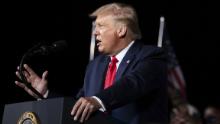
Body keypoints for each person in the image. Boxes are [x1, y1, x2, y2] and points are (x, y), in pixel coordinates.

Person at [15, 2, 168, 124]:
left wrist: (97, 100)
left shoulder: (152, 56)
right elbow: (78, 106)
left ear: (121, 30)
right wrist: (45, 94)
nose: (95, 33)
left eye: (101, 26)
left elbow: (133, 83)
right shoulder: (95, 66)